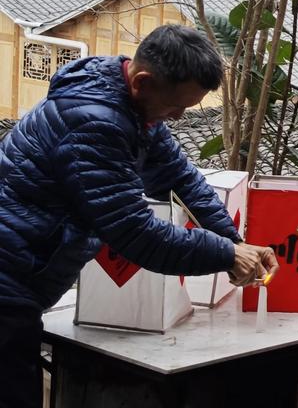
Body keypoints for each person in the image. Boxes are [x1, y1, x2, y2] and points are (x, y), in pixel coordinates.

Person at [0, 25, 279, 408]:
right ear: (143, 82)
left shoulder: (134, 107)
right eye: (176, 106)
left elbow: (179, 179)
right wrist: (226, 256)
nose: (179, 116)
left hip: (21, 275)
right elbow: (135, 232)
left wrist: (234, 241)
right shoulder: (94, 122)